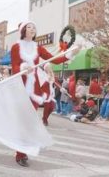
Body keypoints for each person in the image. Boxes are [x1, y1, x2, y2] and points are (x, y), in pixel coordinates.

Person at [11, 21, 80, 167]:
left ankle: (21, 150)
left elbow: (53, 59)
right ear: (23, 30)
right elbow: (15, 66)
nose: (33, 29)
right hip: (20, 87)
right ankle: (20, 153)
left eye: (34, 27)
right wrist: (23, 68)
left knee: (29, 122)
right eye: (29, 27)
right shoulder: (16, 47)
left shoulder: (38, 47)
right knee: (23, 121)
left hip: (34, 90)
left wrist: (70, 54)